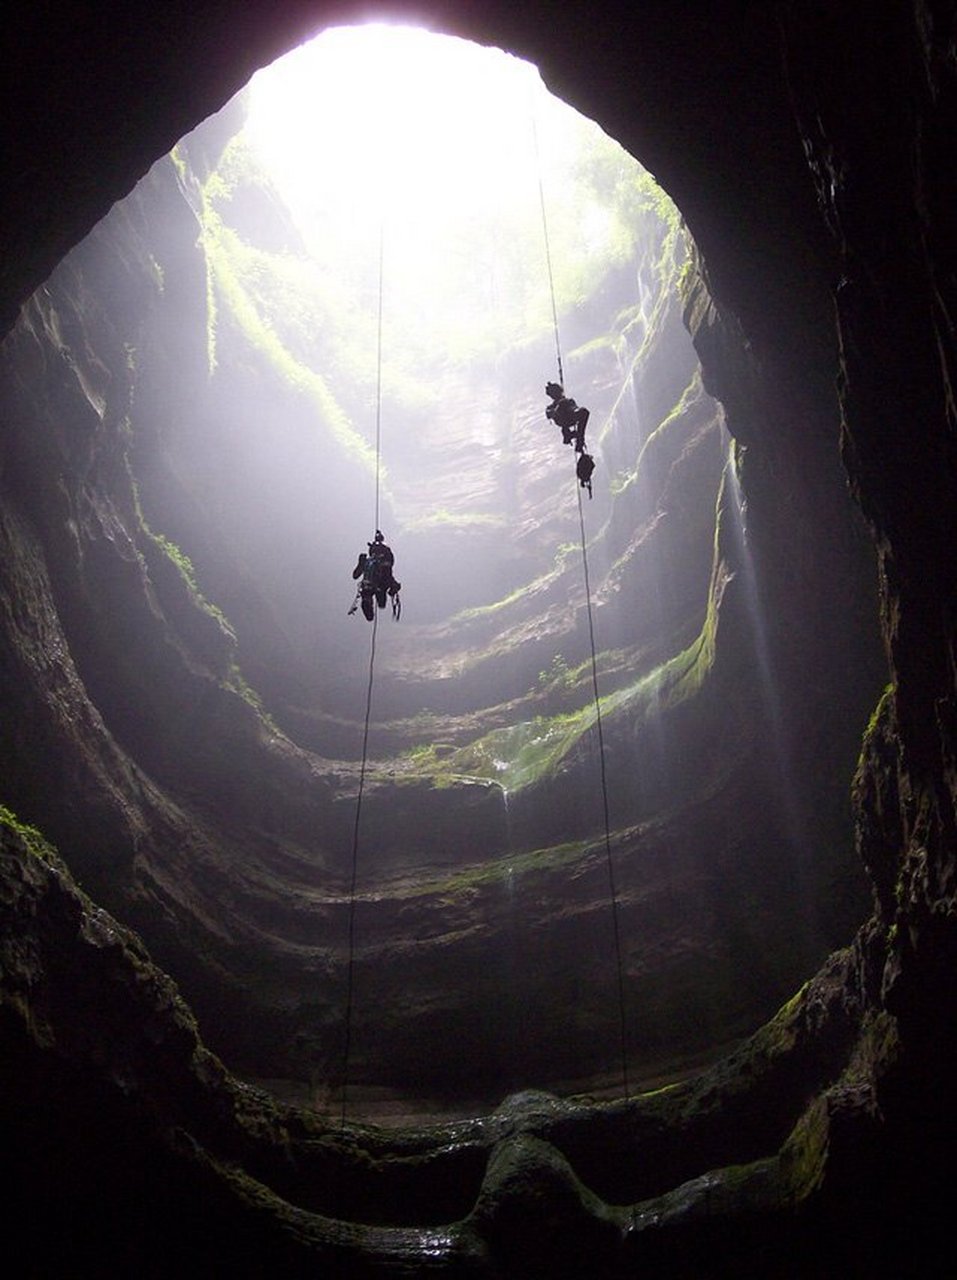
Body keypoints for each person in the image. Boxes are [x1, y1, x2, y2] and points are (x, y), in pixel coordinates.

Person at [350, 530, 401, 621]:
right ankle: (368, 602)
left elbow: (355, 575)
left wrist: (360, 563)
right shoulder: (384, 564)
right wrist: (394, 587)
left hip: (370, 587)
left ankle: (368, 602)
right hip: (380, 586)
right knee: (381, 603)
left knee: (378, 602)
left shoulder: (368, 562)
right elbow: (389, 579)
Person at [545, 381, 589, 453]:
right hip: (562, 420)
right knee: (562, 406)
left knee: (584, 412)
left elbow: (575, 408)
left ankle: (579, 438)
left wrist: (566, 404)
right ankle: (576, 437)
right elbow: (549, 414)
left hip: (571, 417)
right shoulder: (551, 407)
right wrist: (558, 408)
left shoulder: (569, 401)